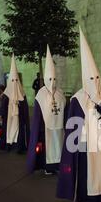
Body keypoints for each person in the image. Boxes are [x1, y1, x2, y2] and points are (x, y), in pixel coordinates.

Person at [56, 27, 101, 202]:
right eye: (91, 78)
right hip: (87, 144)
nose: (95, 81)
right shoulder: (77, 99)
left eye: (97, 77)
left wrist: (98, 100)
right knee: (89, 172)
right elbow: (73, 126)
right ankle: (90, 198)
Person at [27, 45, 66, 175]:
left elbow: (64, 110)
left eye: (54, 79)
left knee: (59, 146)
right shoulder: (41, 94)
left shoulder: (60, 93)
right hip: (46, 129)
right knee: (47, 149)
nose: (52, 82)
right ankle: (48, 168)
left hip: (59, 129)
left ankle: (58, 166)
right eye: (50, 79)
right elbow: (37, 115)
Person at [0, 54, 30, 153]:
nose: (15, 82)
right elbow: (3, 105)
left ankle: (19, 146)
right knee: (9, 130)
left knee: (18, 130)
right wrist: (0, 114)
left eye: (16, 80)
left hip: (18, 117)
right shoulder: (7, 94)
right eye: (13, 80)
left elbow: (25, 107)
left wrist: (24, 117)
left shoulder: (22, 94)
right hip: (9, 117)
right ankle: (8, 144)